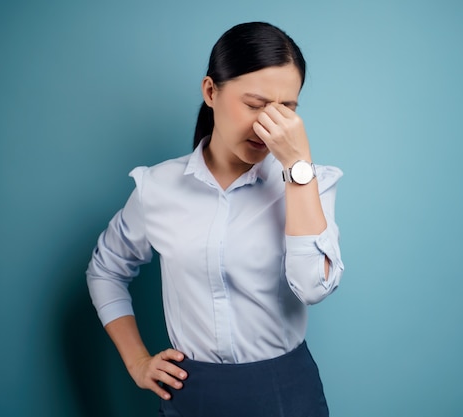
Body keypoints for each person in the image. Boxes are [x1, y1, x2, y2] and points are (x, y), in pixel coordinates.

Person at [86, 21, 344, 417]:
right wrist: (137, 360)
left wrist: (297, 166)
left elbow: (313, 287)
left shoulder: (308, 182)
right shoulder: (158, 187)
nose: (267, 126)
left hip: (285, 392)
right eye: (255, 104)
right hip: (192, 394)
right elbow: (106, 269)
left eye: (286, 110)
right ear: (211, 91)